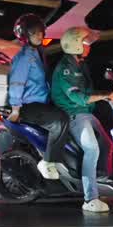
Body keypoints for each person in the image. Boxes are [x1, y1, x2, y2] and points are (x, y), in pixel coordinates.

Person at [51, 27, 113, 214]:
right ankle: (90, 198)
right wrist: (105, 95)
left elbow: (88, 93)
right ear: (75, 46)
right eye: (85, 43)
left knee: (107, 143)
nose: (88, 46)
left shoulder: (80, 64)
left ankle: (100, 179)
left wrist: (107, 96)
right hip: (74, 114)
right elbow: (79, 98)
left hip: (85, 112)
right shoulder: (66, 69)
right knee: (92, 149)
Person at [8, 14, 70, 182]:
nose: (39, 35)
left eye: (40, 32)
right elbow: (16, 83)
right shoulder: (24, 57)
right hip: (29, 105)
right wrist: (15, 109)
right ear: (25, 36)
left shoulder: (37, 52)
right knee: (60, 121)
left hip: (41, 102)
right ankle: (48, 161)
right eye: (34, 33)